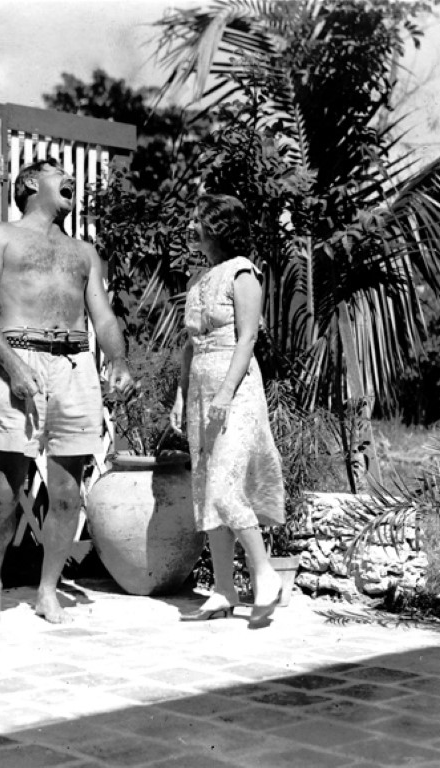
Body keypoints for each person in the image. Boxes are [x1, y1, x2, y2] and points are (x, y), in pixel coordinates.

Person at [0, 158, 135, 625]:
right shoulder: (0, 236)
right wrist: (12, 365)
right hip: (20, 355)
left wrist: (118, 361)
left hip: (76, 365)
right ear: (30, 184)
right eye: (59, 173)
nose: (70, 181)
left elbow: (101, 315)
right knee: (6, 485)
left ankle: (46, 590)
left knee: (66, 492)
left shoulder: (84, 252)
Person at [170, 193, 286, 628]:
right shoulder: (201, 279)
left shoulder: (243, 274)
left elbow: (247, 339)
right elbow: (189, 345)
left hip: (234, 391)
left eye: (198, 218)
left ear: (218, 225)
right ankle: (223, 588)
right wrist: (182, 395)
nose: (191, 224)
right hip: (201, 389)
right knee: (205, 486)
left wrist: (224, 394)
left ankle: (264, 573)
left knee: (224, 484)